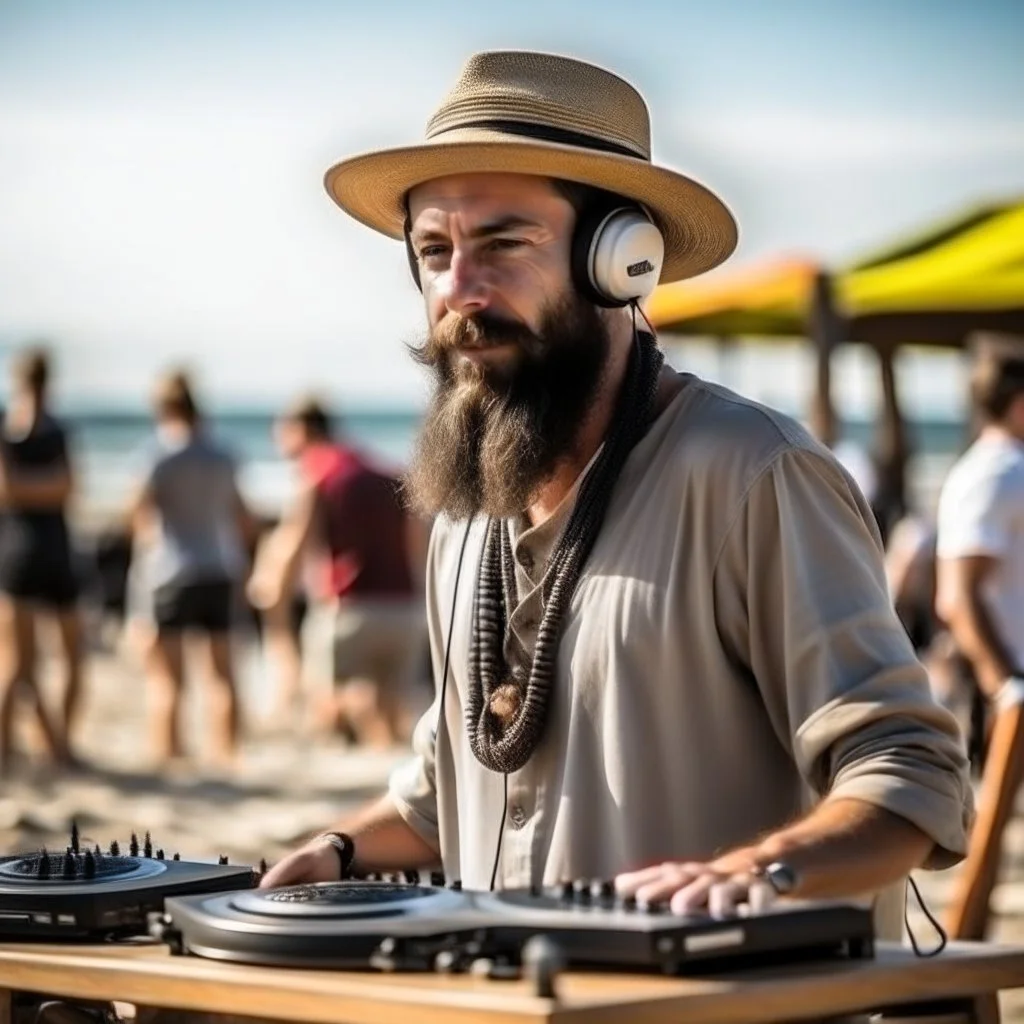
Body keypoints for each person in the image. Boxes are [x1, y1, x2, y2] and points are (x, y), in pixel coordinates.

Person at [262, 50, 972, 935]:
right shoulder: (462, 518)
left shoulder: (755, 473)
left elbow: (912, 773)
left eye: (503, 243)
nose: (457, 292)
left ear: (622, 259)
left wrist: (755, 874)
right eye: (433, 252)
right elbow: (445, 796)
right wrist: (332, 853)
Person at [248, 396, 428, 745]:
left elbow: (294, 540)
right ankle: (383, 750)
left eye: (283, 433)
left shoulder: (318, 472)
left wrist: (270, 590)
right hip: (404, 609)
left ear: (303, 430)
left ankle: (367, 725)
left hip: (349, 609)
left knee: (331, 702)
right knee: (393, 712)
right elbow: (418, 538)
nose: (279, 442)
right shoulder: (385, 473)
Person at [934, 335, 1024, 938]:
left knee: (988, 849)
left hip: (1009, 685)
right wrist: (1007, 685)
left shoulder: (989, 467)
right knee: (984, 849)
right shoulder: (1001, 470)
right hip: (1012, 687)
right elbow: (958, 593)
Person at [125, 370, 258, 768]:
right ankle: (227, 753)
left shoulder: (157, 454)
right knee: (222, 673)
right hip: (218, 565)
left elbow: (139, 516)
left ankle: (169, 753)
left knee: (168, 677)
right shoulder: (223, 453)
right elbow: (243, 516)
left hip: (171, 569)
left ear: (163, 409)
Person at [0, 346, 83, 772]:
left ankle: (41, 744)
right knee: (28, 662)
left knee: (25, 662)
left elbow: (20, 489)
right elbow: (59, 487)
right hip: (39, 546)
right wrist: (45, 488)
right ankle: (54, 744)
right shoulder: (40, 428)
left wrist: (25, 489)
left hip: (29, 547)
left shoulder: (22, 427)